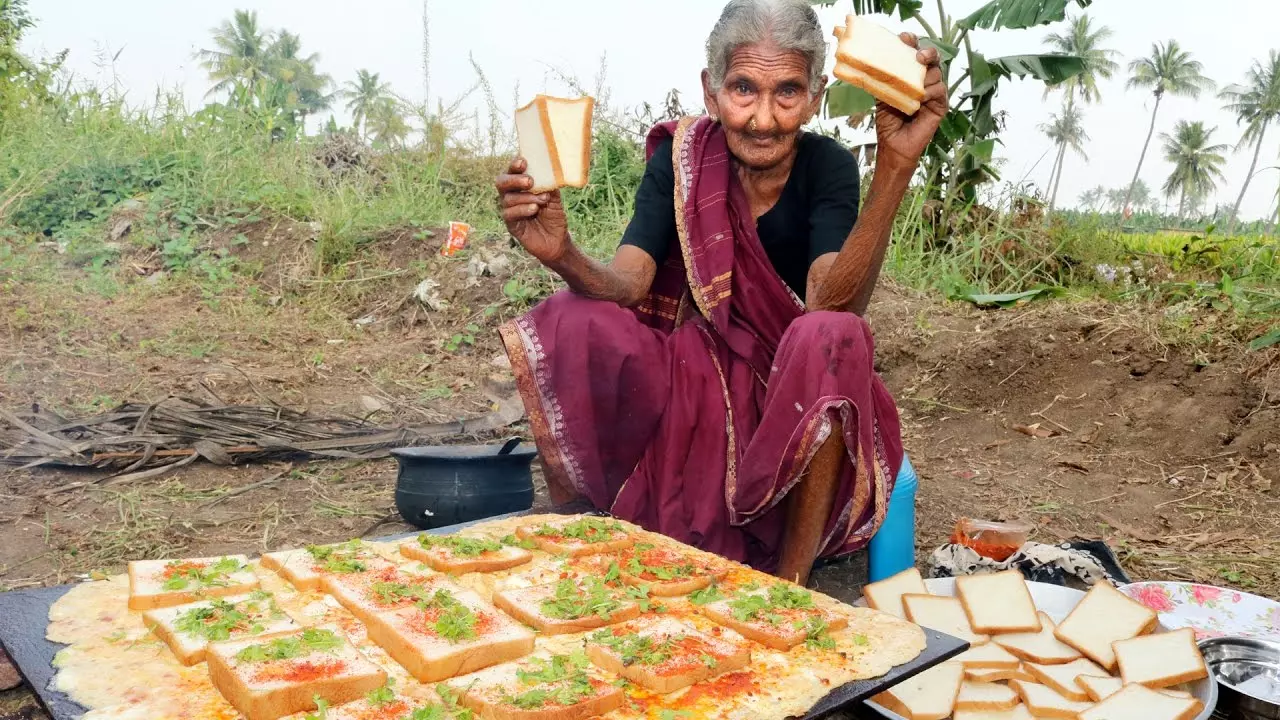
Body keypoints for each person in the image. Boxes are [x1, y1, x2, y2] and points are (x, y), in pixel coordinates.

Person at [494, 0, 946, 585]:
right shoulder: (683, 161)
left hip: (798, 391)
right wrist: (564, 256)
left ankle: (791, 583)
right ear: (711, 92)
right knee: (572, 316)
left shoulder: (827, 166)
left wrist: (896, 167)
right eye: (743, 89)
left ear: (815, 94)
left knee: (834, 334)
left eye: (787, 92)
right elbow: (629, 284)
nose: (763, 118)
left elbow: (830, 304)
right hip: (696, 383)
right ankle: (590, 533)